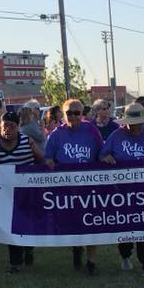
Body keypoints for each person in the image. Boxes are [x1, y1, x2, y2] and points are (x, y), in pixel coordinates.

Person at [100, 102, 144, 280]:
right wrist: (107, 157)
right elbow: (102, 155)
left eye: (138, 122)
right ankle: (125, 255)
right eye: (130, 122)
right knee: (125, 226)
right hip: (123, 190)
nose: (134, 126)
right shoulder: (116, 135)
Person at [0, 110, 43, 272]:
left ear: (18, 127)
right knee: (10, 226)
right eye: (5, 125)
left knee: (28, 224)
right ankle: (15, 262)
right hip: (4, 194)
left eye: (12, 126)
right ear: (0, 126)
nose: (8, 129)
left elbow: (41, 159)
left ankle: (28, 249)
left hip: (26, 191)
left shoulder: (27, 141)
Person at [44, 97, 103, 274]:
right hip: (67, 188)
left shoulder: (91, 130)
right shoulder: (56, 134)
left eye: (77, 112)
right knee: (73, 223)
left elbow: (102, 152)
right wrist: (50, 164)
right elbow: (48, 157)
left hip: (89, 186)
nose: (73, 116)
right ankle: (77, 248)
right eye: (69, 113)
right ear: (64, 114)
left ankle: (91, 261)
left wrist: (105, 159)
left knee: (92, 223)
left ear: (82, 113)